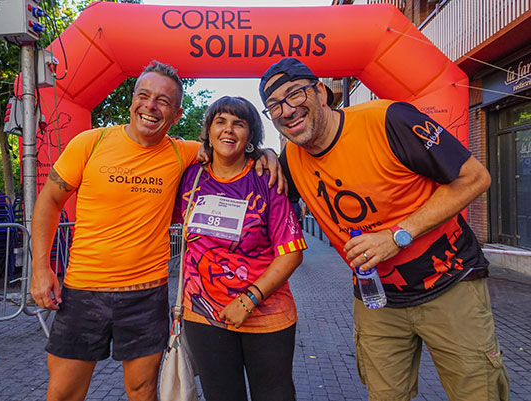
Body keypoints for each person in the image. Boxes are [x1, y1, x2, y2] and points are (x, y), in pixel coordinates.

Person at [30, 61, 282, 401]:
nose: (151, 106)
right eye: (144, 96)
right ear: (132, 100)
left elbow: (228, 148)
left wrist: (266, 153)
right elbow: (49, 202)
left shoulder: (183, 153)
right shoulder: (91, 142)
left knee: (143, 391)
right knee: (63, 393)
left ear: (177, 115)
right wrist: (40, 268)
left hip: (146, 295)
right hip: (83, 291)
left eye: (163, 101)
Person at [259, 58, 510, 401]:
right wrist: (263, 153)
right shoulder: (290, 160)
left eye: (294, 94)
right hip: (376, 299)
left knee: (478, 394)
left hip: (450, 284)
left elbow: (474, 178)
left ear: (320, 91)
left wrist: (396, 236)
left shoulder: (388, 119)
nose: (287, 110)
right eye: (274, 106)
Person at [174, 96, 306, 401]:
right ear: (208, 130)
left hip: (265, 314)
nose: (228, 130)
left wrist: (247, 300)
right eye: (220, 122)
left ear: (251, 135)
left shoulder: (266, 179)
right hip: (204, 315)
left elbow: (292, 252)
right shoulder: (190, 177)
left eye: (239, 124)